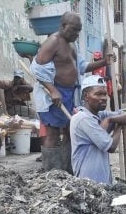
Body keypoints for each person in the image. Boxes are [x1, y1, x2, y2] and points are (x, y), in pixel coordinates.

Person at [31, 12, 113, 172]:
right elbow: (37, 69)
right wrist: (52, 90)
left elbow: (81, 67)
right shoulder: (53, 42)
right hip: (53, 95)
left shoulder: (71, 44)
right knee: (53, 133)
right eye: (73, 30)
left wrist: (104, 62)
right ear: (63, 27)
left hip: (70, 94)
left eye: (79, 30)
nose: (76, 34)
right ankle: (52, 172)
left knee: (71, 130)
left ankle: (70, 169)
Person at [70, 75, 126, 184]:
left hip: (103, 182)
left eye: (105, 94)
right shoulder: (83, 119)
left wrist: (110, 119)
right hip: (89, 183)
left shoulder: (101, 115)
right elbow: (111, 147)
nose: (104, 98)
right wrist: (118, 125)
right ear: (86, 96)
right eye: (98, 94)